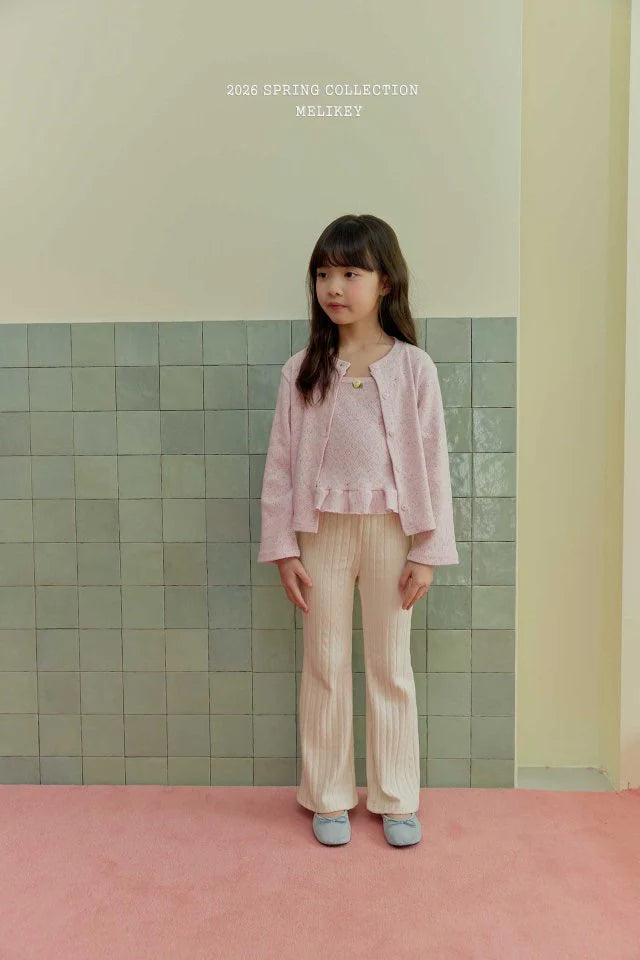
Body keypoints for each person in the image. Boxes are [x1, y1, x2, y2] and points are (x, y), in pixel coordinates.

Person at [258, 214, 459, 847]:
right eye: (323, 274)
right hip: (320, 533)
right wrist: (283, 547)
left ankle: (397, 796)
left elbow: (434, 461)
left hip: (393, 533)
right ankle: (328, 795)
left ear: (385, 281)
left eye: (350, 272)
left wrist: (427, 551)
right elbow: (280, 465)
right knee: (324, 661)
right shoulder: (303, 369)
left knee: (391, 664)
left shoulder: (414, 368)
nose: (334, 287)